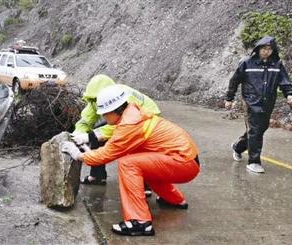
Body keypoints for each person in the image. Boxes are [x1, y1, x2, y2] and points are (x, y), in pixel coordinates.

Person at [62, 85, 200, 236]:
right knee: (140, 162)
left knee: (129, 164)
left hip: (184, 163)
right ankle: (174, 200)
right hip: (186, 160)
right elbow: (111, 149)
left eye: (104, 115)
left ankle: (140, 222)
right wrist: (86, 148)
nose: (104, 118)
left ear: (113, 111)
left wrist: (77, 154)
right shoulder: (132, 113)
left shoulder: (129, 124)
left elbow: (105, 155)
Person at [71, 74, 160, 193]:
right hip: (126, 122)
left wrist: (91, 136)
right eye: (94, 100)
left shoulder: (124, 98)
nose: (97, 103)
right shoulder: (95, 100)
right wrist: (78, 133)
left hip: (145, 120)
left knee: (135, 148)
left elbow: (126, 126)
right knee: (96, 136)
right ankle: (97, 176)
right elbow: (86, 120)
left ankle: (145, 184)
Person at [225, 36, 292, 173]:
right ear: (258, 49)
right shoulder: (247, 63)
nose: (266, 52)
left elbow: (284, 80)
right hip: (250, 101)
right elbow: (234, 81)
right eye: (264, 48)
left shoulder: (277, 64)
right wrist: (229, 98)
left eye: (269, 49)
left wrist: (289, 94)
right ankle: (254, 162)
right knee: (256, 129)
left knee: (260, 128)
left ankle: (238, 147)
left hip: (268, 101)